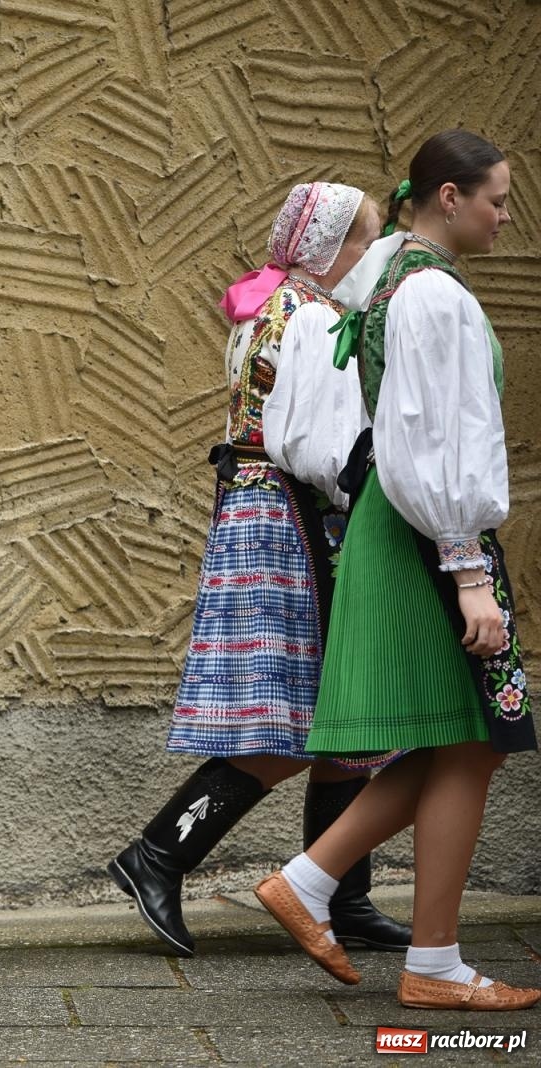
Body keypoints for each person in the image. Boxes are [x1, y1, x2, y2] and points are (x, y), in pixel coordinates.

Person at [255, 130, 537, 1010]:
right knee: (478, 737)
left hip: (410, 526)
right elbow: (430, 438)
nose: (505, 215)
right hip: (427, 532)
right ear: (446, 197)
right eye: (494, 198)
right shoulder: (429, 298)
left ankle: (314, 884)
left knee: (463, 739)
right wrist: (468, 569)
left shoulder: (392, 277)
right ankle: (432, 963)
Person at [107, 184, 411, 958]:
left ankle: (346, 899)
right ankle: (158, 855)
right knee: (298, 716)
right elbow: (320, 443)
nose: (372, 257)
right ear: (332, 249)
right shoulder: (309, 316)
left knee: (338, 708)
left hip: (265, 509)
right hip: (295, 517)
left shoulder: (270, 306)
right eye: (366, 242)